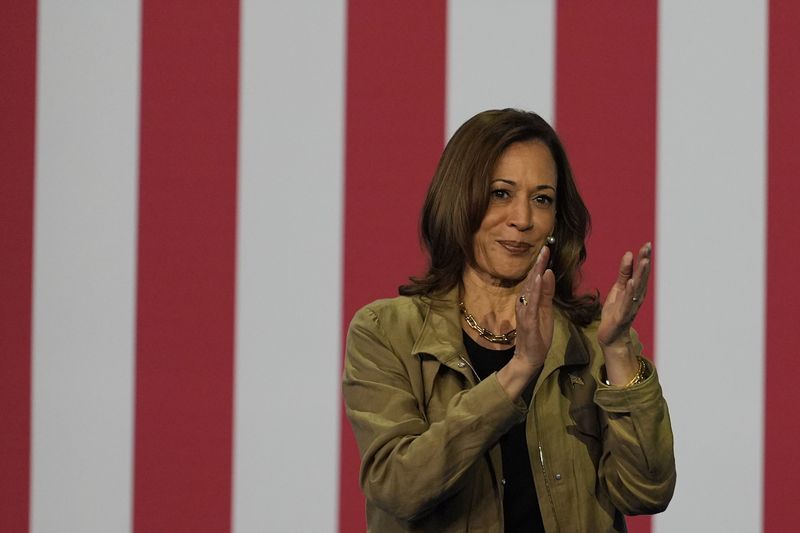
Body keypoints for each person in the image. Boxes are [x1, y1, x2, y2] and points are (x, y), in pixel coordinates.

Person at [342, 109, 675, 532]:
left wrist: (618, 349)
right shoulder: (385, 331)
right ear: (460, 198)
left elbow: (647, 493)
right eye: (501, 193)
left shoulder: (592, 338)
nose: (523, 219)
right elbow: (398, 487)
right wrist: (518, 372)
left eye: (542, 199)